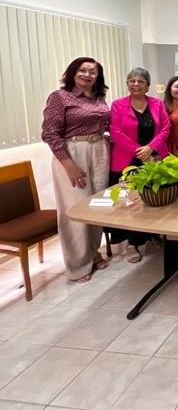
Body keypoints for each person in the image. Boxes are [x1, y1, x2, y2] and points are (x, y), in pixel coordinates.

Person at [41, 57, 110, 283]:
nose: (88, 75)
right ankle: (78, 265)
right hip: (72, 152)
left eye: (93, 72)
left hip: (99, 150)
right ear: (72, 72)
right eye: (83, 70)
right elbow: (50, 133)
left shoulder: (99, 98)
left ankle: (93, 254)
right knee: (75, 208)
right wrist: (68, 164)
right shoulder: (60, 97)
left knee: (97, 205)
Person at [108, 68, 170, 263]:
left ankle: (151, 234)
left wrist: (150, 148)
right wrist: (139, 151)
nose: (136, 84)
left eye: (141, 81)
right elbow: (115, 132)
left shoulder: (156, 104)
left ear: (147, 85)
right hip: (127, 159)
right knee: (129, 202)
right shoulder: (118, 105)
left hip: (153, 159)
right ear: (127, 84)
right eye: (132, 80)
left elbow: (165, 128)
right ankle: (131, 244)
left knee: (153, 199)